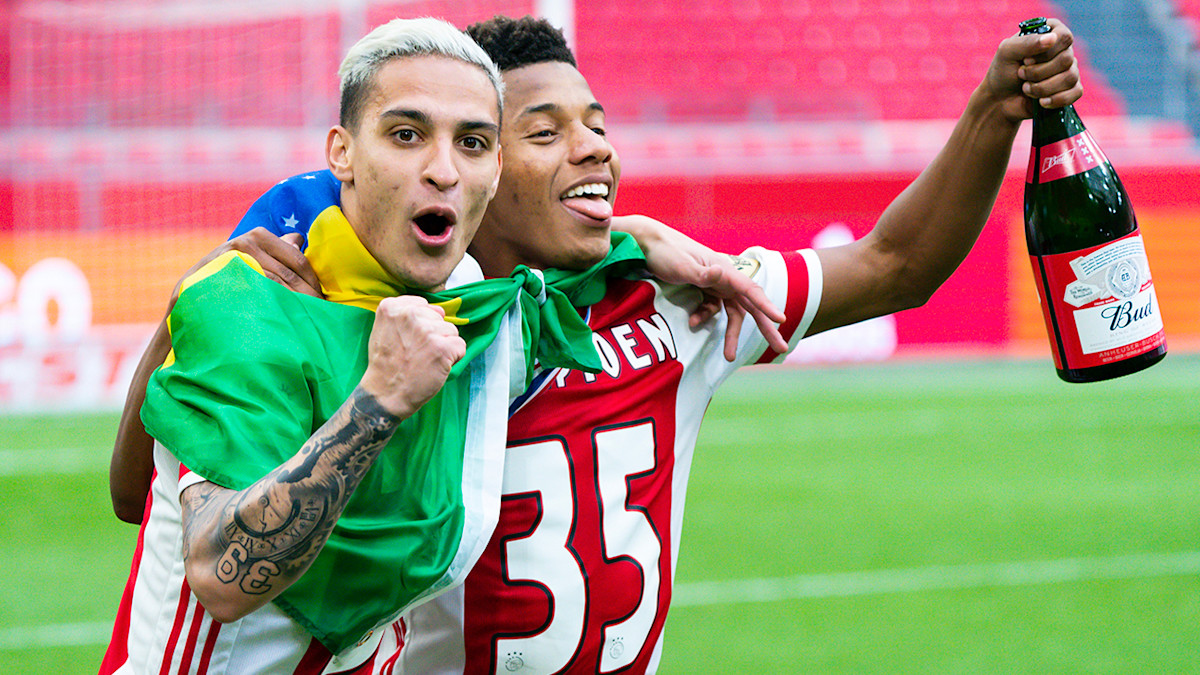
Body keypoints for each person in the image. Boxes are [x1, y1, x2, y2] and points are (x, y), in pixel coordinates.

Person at [110, 13, 1085, 674]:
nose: (593, 148)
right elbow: (158, 510)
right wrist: (204, 298)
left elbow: (894, 265)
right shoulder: (360, 316)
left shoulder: (668, 301)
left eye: (597, 125)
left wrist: (993, 111)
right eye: (545, 132)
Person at [98, 16, 622, 674]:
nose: (443, 170)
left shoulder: (469, 296)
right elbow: (218, 573)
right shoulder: (255, 302)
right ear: (342, 152)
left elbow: (551, 262)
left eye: (472, 143)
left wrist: (643, 240)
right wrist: (379, 400)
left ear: (495, 169)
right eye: (406, 135)